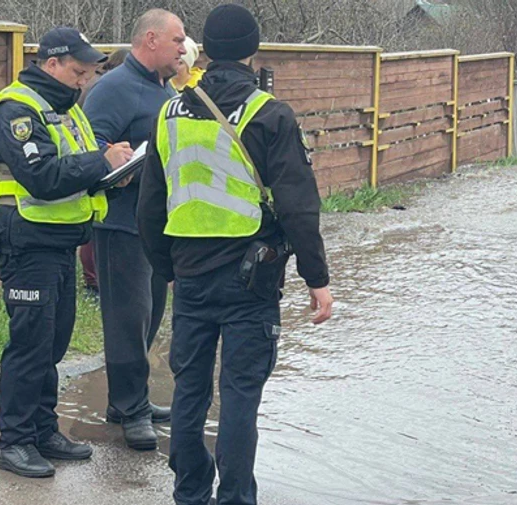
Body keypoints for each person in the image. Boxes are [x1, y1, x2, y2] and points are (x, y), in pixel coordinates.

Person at [137, 4, 334, 504]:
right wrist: (318, 279)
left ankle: (189, 492)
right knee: (241, 395)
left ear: (204, 47)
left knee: (190, 391)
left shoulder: (169, 112)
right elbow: (298, 206)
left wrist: (169, 270)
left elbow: (149, 206)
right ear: (253, 49)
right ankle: (235, 498)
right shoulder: (269, 112)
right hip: (252, 278)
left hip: (190, 275)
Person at [0, 27, 134, 478]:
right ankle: (15, 441)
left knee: (53, 342)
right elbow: (40, 175)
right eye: (78, 72)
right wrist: (101, 162)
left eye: (88, 73)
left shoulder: (62, 110)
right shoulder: (15, 110)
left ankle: (43, 429)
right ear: (52, 64)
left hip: (58, 240)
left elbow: (75, 167)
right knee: (30, 344)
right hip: (24, 242)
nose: (84, 82)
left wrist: (111, 168)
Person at [83, 8, 186, 450]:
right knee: (127, 320)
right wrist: (114, 157)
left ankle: (129, 399)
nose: (184, 49)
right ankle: (131, 409)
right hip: (120, 223)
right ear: (150, 40)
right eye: (178, 40)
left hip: (156, 225)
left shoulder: (163, 89)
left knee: (150, 316)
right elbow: (90, 147)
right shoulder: (113, 88)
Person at [78, 48, 130, 298]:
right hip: (99, 162)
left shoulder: (95, 84)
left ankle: (91, 280)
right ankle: (92, 281)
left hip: (90, 163)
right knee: (94, 228)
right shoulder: (106, 88)